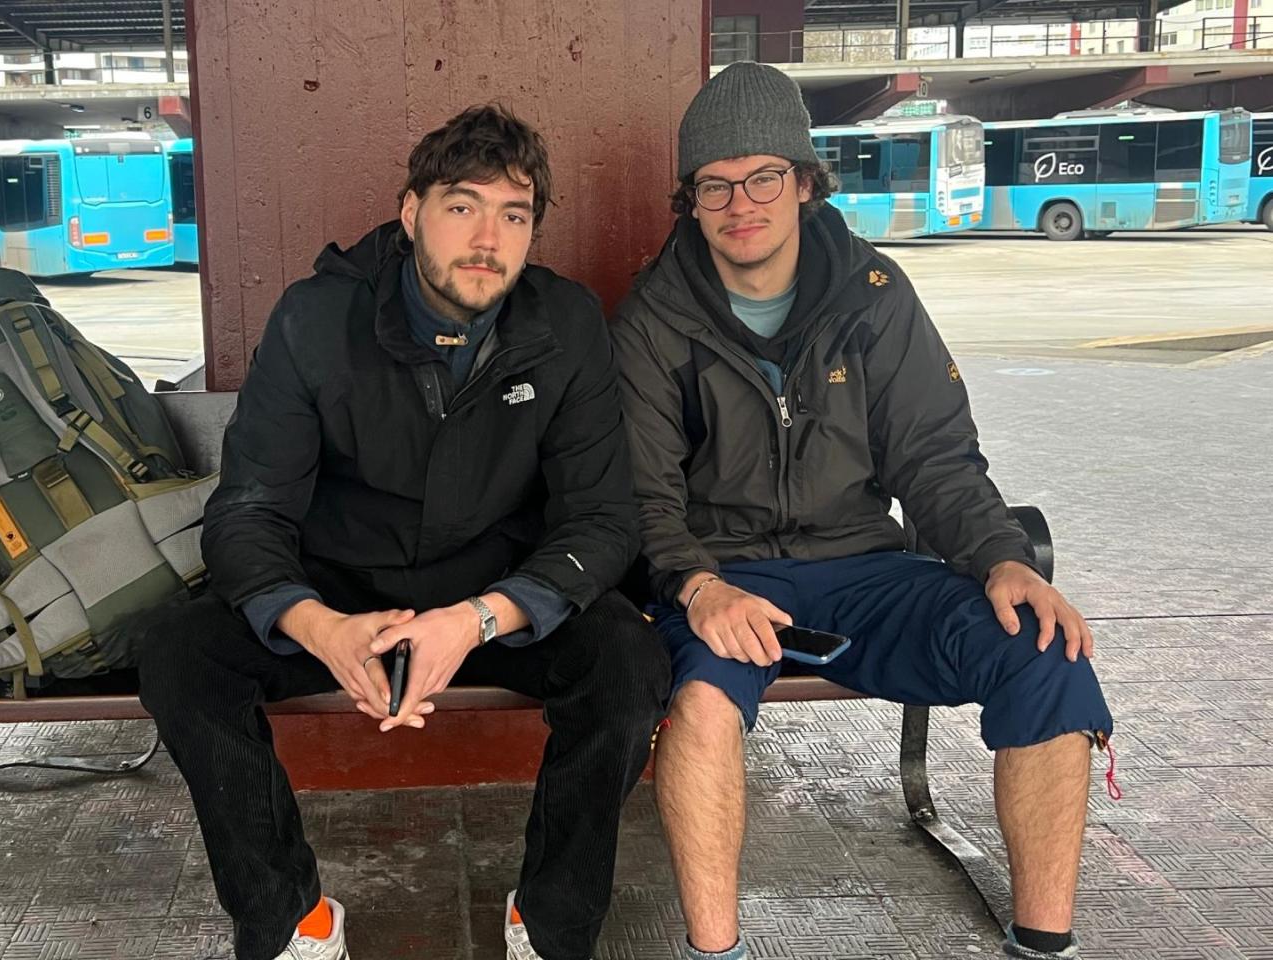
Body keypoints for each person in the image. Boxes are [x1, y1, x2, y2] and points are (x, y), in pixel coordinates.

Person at [139, 103, 670, 960]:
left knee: (628, 663)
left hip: (494, 599)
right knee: (179, 656)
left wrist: (484, 615)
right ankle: (290, 920)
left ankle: (551, 924)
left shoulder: (564, 323)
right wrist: (317, 625)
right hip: (340, 594)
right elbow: (247, 512)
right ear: (412, 210)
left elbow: (603, 519)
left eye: (514, 214)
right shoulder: (317, 318)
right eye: (463, 206)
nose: (488, 238)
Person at [612, 62, 1114, 960]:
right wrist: (694, 587)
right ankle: (714, 948)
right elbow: (643, 498)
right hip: (727, 581)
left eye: (764, 175)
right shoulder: (652, 321)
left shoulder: (875, 299)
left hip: (867, 570)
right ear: (689, 201)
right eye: (714, 186)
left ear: (806, 180)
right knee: (699, 708)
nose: (741, 203)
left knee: (1046, 652)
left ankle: (1045, 943)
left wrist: (1003, 556)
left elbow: (935, 461)